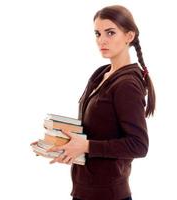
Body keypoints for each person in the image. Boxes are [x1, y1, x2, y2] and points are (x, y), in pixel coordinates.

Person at [47, 5, 156, 200]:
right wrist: (64, 144)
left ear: (129, 36)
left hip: (108, 195)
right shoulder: (100, 74)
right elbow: (94, 130)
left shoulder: (127, 84)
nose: (101, 40)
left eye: (110, 33)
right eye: (97, 33)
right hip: (84, 190)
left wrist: (87, 146)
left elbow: (139, 145)